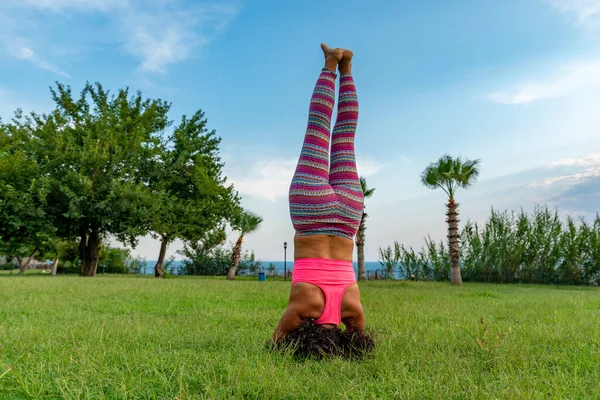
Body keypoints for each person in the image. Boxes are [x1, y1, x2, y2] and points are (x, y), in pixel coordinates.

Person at [272, 44, 373, 358]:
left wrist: (350, 344)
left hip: (346, 216)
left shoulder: (351, 310)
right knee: (317, 129)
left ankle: (348, 68)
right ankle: (331, 63)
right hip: (311, 210)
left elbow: (359, 335)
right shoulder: (303, 308)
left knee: (345, 135)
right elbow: (276, 342)